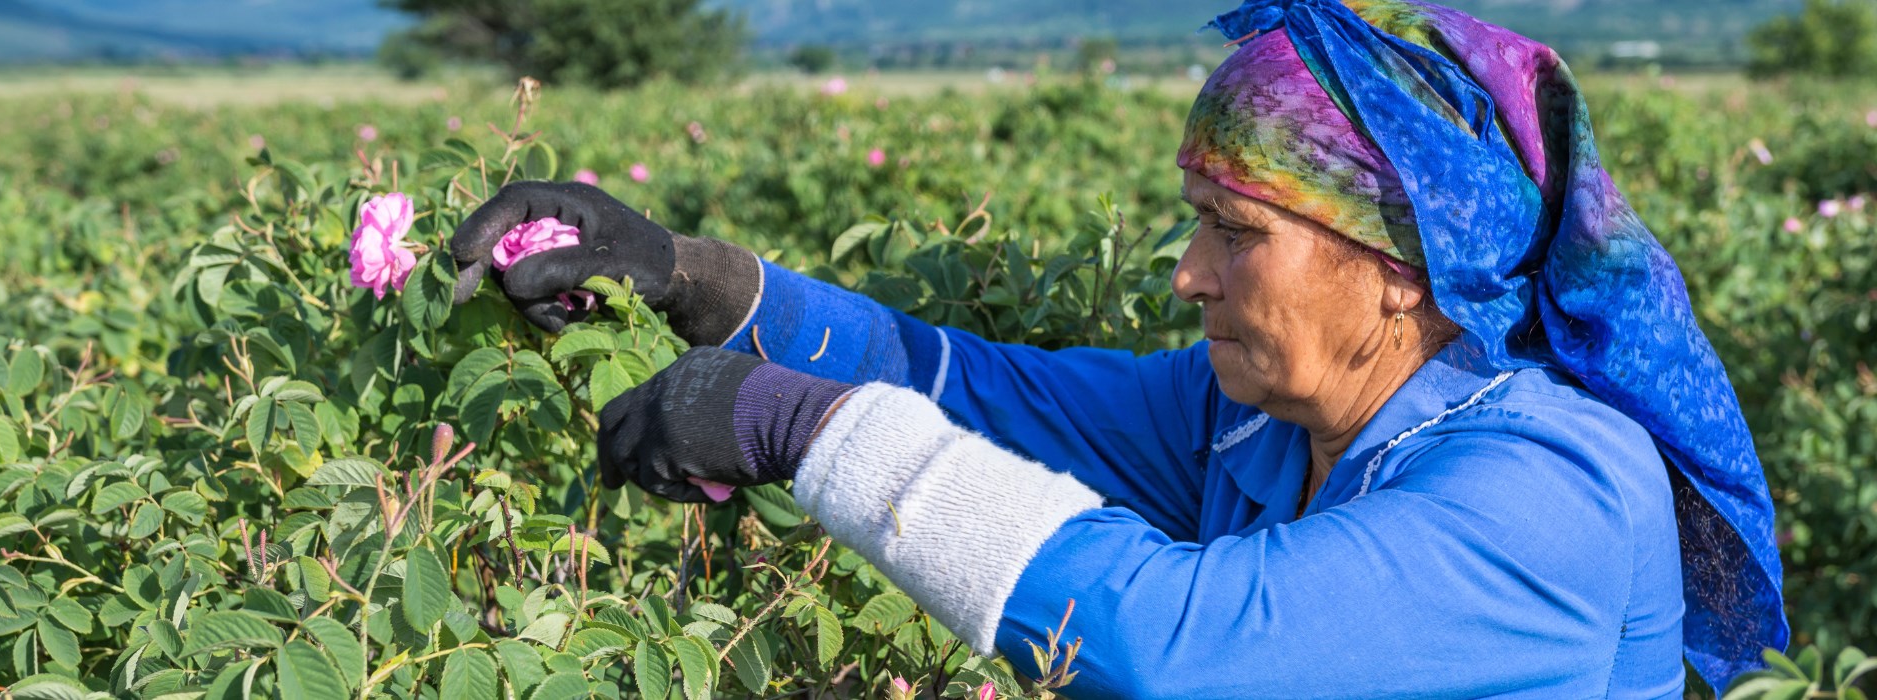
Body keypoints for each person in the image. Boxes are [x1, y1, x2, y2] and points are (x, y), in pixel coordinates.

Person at [449, 0, 1786, 695]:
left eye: (1234, 234)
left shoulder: (1552, 488)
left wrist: (803, 427)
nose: (1191, 274)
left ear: (1399, 275)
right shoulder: (1274, 421)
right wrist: (692, 276)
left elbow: (1184, 647)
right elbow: (977, 393)